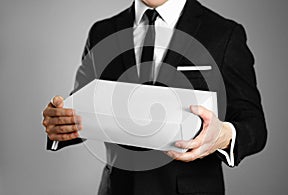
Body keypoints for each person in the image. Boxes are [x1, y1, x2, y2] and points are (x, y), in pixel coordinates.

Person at [42, 0, 267, 194]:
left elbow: (254, 125)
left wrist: (223, 135)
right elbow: (82, 109)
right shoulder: (102, 32)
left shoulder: (224, 33)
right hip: (118, 189)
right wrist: (60, 124)